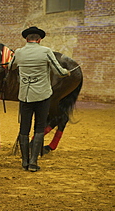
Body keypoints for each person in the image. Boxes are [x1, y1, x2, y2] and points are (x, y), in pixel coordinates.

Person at [9, 27, 70, 172]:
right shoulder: (46, 51)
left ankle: (24, 161)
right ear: (39, 39)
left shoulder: (19, 52)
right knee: (39, 127)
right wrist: (67, 72)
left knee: (24, 128)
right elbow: (59, 72)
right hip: (42, 96)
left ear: (26, 39)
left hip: (25, 96)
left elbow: (11, 67)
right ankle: (33, 163)